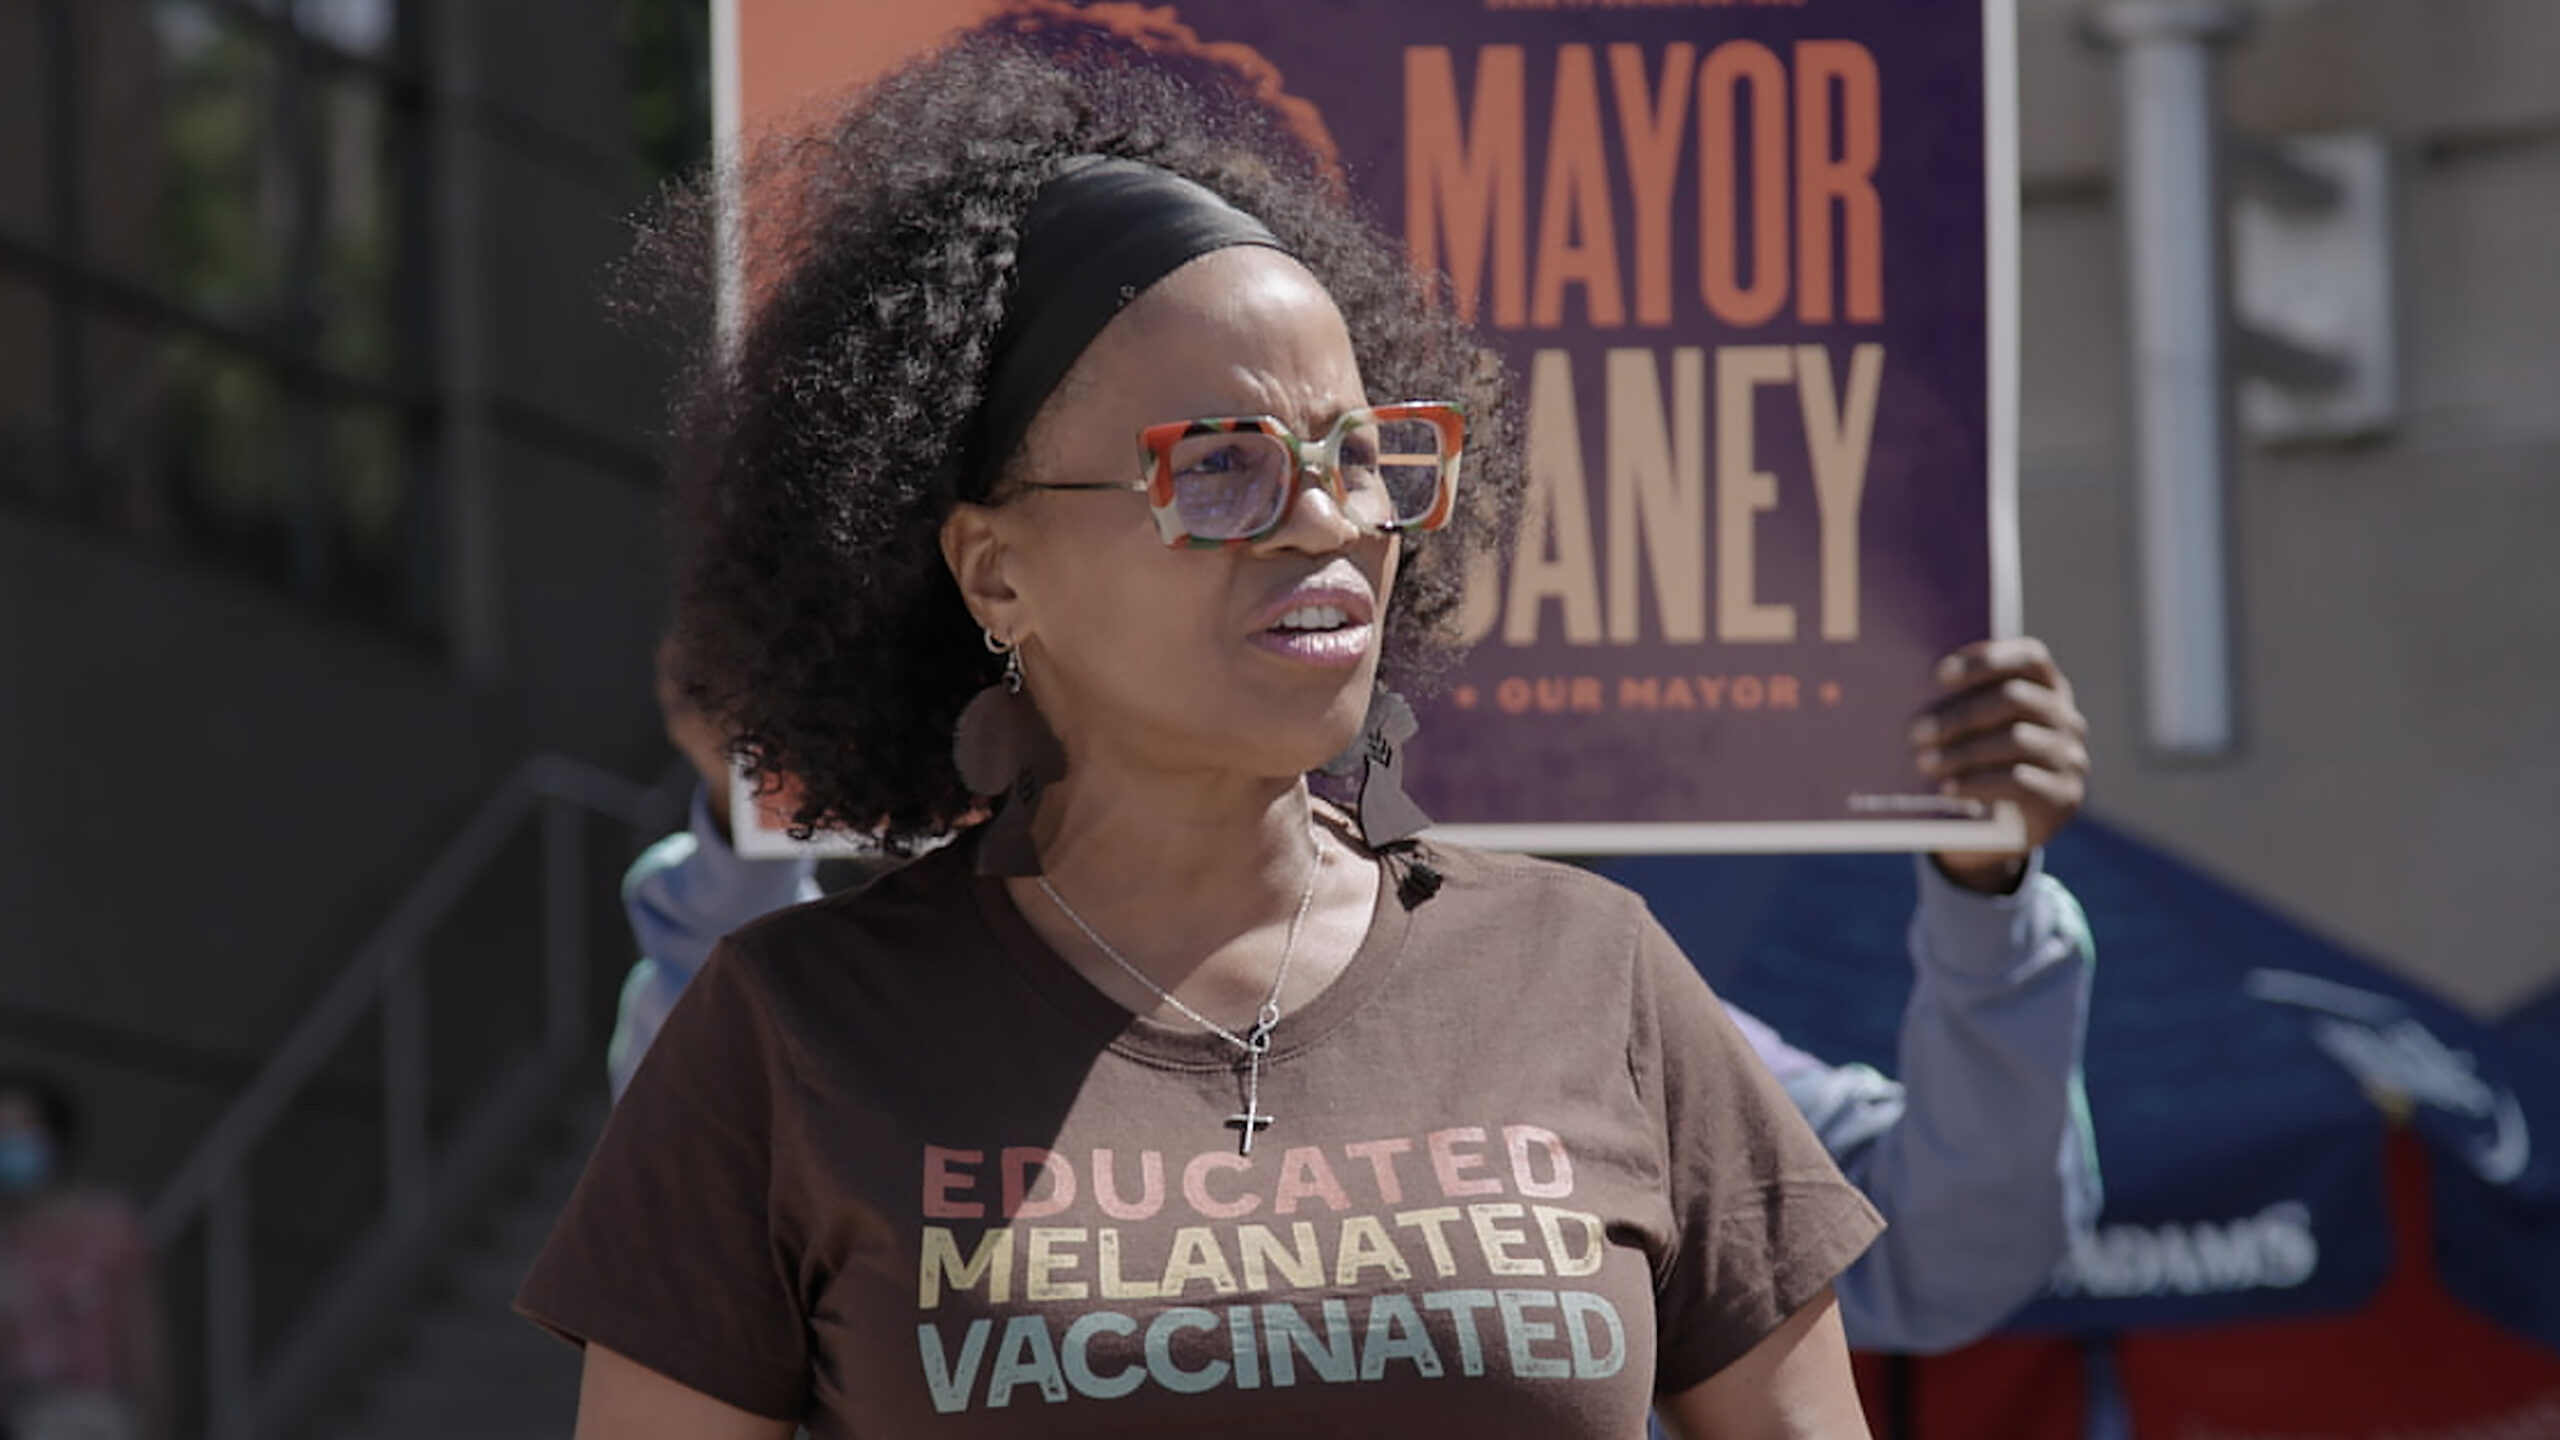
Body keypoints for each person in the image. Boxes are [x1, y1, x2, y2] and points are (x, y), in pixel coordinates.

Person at [522, 35, 1886, 1437]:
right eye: (1221, 467)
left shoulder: (1597, 979)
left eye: (1362, 455)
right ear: (997, 572)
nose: (1334, 520)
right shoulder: (789, 1036)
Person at [616, 638, 2099, 1359]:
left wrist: (1986, 905)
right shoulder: (877, 1003)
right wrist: (746, 814)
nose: (1319, 541)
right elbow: (698, 1166)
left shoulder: (1578, 984)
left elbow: (1946, 1249)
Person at [0, 1071, 170, 1440]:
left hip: (90, 1417)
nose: (7, 1145)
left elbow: (143, 1346)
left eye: (19, 1132)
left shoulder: (106, 1228)